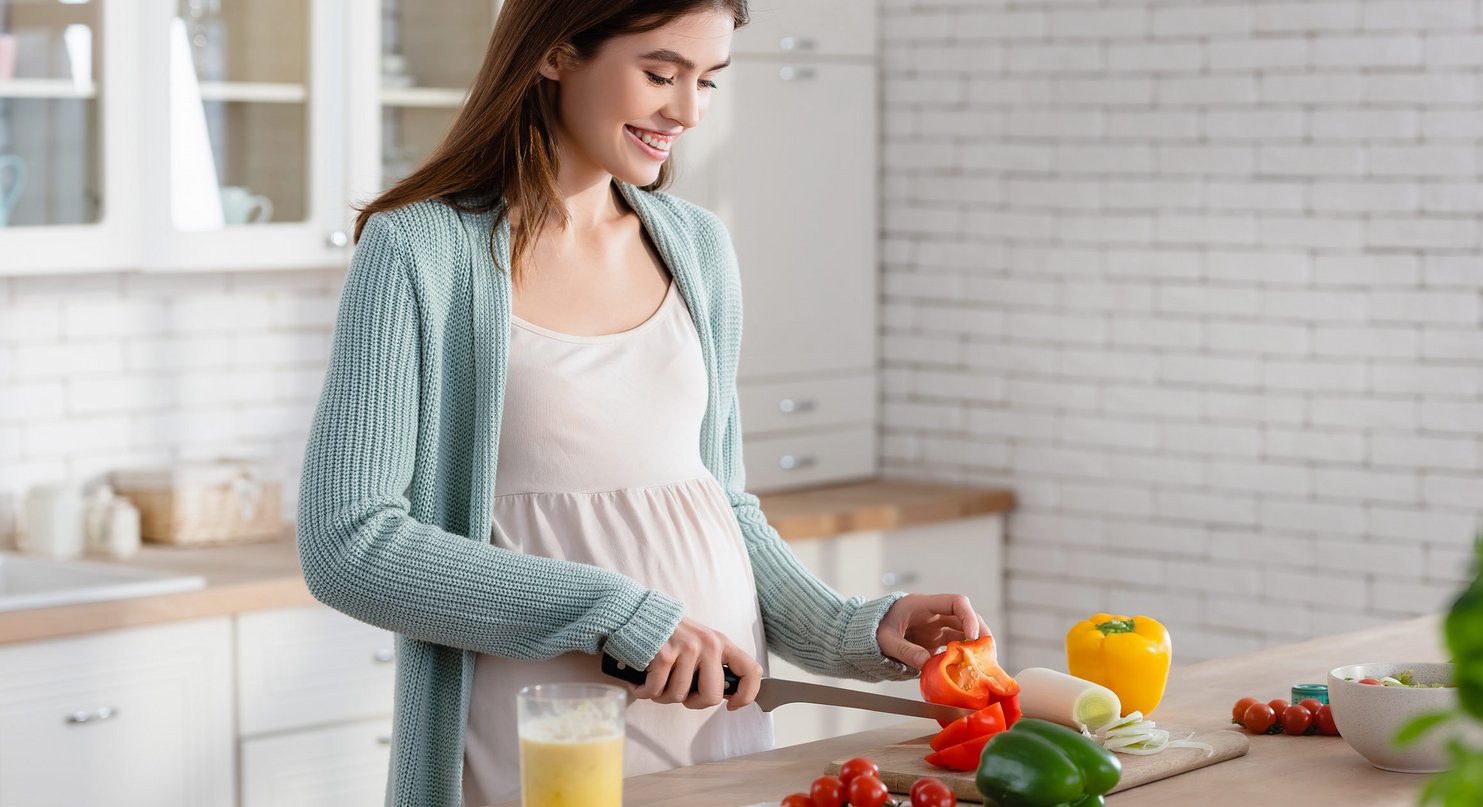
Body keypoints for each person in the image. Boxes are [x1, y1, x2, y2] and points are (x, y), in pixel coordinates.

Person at [296, 1, 993, 805]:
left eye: (707, 82)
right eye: (660, 74)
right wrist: (616, 612)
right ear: (556, 53)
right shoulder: (419, 251)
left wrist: (852, 627)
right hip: (538, 735)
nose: (688, 111)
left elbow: (716, 500)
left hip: (717, 731)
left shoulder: (696, 247)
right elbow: (349, 541)